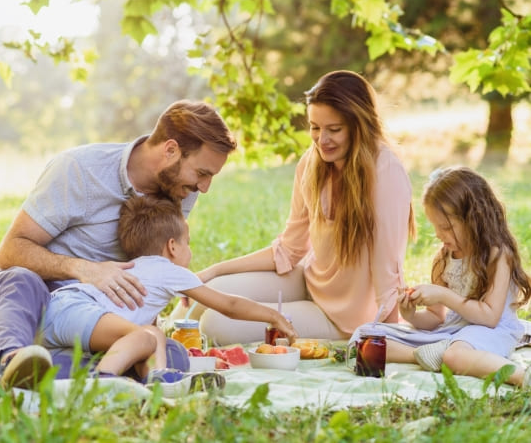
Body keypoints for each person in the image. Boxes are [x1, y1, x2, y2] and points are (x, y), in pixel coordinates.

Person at [0, 100, 238, 390]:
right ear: (170, 150)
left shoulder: (180, 189)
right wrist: (84, 269)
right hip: (27, 303)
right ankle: (9, 358)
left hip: (91, 321)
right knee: (21, 279)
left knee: (170, 355)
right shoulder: (80, 169)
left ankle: (7, 374)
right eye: (202, 173)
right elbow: (10, 252)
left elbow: (151, 267)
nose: (204, 187)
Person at [170, 70, 415, 344]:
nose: (322, 140)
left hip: (345, 318)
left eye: (334, 130)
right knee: (210, 291)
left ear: (359, 126)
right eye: (315, 127)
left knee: (217, 325)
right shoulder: (312, 163)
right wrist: (214, 270)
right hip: (309, 283)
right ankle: (158, 334)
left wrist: (388, 339)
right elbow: (289, 249)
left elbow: (387, 267)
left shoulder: (385, 170)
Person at [34, 195, 296, 395]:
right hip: (77, 308)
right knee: (144, 337)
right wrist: (272, 315)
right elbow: (228, 304)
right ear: (172, 246)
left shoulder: (139, 268)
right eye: (188, 243)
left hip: (57, 313)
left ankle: (158, 381)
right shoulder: (167, 269)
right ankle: (103, 384)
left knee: (154, 335)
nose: (190, 251)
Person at [350, 166, 531, 387]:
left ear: (474, 219)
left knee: (455, 356)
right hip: (452, 332)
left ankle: (522, 377)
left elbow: (490, 317)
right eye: (436, 227)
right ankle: (422, 354)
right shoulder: (443, 259)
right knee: (365, 336)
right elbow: (437, 319)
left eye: (445, 227)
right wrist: (411, 315)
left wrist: (443, 295)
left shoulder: (498, 255)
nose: (438, 234)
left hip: (492, 331)